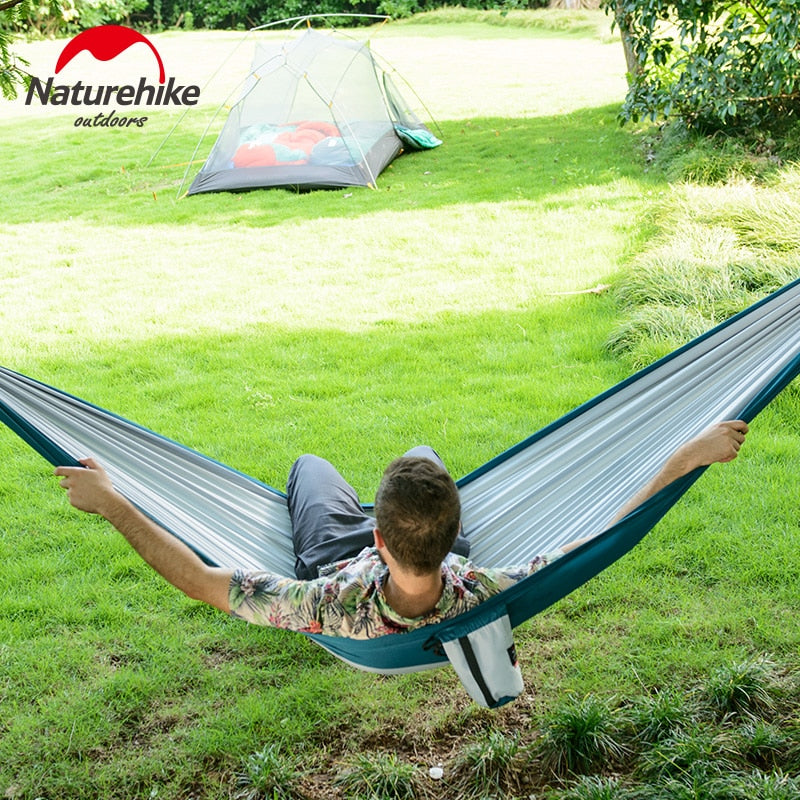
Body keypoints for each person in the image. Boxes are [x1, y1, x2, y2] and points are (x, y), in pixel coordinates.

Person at [53, 420, 749, 640]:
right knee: (422, 456)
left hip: (334, 555)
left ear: (379, 540)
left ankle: (362, 495)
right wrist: (685, 457)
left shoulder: (327, 604)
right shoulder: (484, 588)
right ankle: (418, 486)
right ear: (457, 532)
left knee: (310, 465)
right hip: (428, 551)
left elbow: (201, 582)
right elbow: (599, 537)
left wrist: (113, 503)